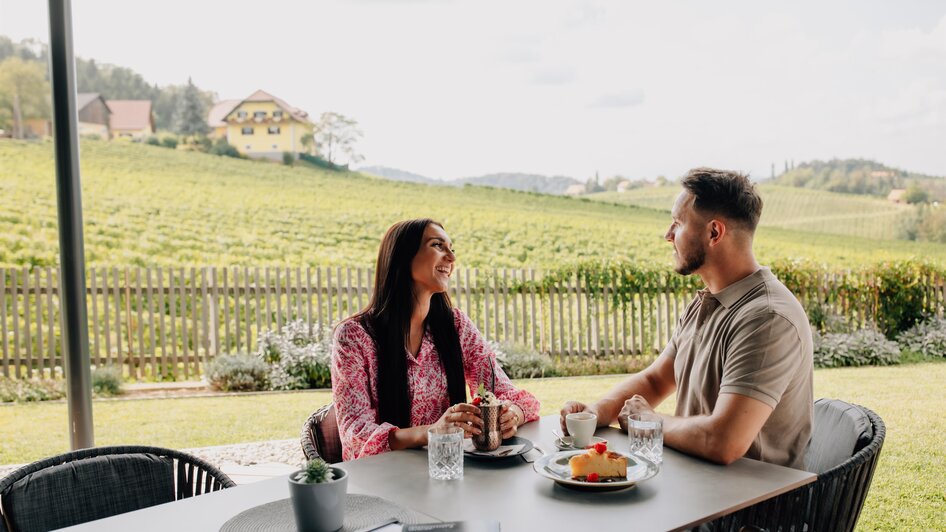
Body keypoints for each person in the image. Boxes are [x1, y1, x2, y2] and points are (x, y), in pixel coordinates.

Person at [561, 168, 813, 469]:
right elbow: (655, 381)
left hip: (750, 508)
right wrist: (595, 412)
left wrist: (650, 421)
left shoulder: (767, 318)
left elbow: (724, 442)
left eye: (678, 223)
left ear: (714, 233)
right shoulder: (707, 301)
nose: (668, 235)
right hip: (699, 487)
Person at [331, 218, 540, 460]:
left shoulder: (456, 325)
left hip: (449, 471)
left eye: (452, 248)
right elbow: (355, 436)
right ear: (402, 256)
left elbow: (508, 393)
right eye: (437, 245)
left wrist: (512, 414)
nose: (451, 258)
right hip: (384, 478)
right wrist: (431, 432)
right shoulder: (355, 336)